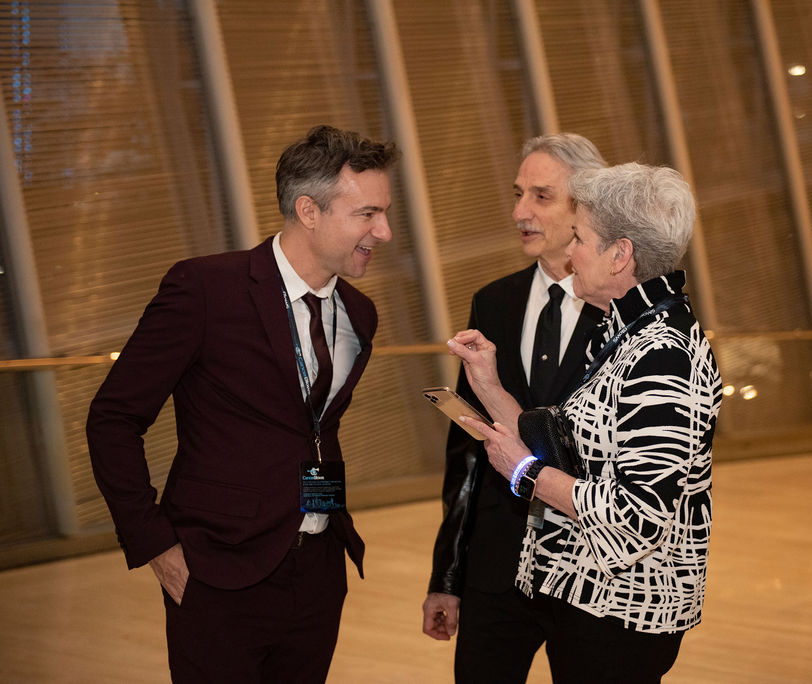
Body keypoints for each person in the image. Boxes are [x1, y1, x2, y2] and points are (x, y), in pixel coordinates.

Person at [86, 125, 399, 683]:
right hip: (218, 570)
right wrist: (155, 542)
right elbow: (113, 418)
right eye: (368, 214)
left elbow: (312, 432)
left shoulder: (360, 313)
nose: (386, 231)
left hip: (319, 571)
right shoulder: (206, 289)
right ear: (308, 210)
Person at [449, 162, 722, 683]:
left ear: (620, 255)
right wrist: (486, 384)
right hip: (588, 600)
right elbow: (561, 446)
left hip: (622, 612)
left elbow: (636, 517)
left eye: (580, 237)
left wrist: (524, 472)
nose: (569, 251)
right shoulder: (629, 333)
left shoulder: (662, 354)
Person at [421, 134, 606, 681]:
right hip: (497, 573)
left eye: (541, 197)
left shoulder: (625, 312)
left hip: (591, 576)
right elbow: (468, 447)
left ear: (585, 207)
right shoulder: (493, 302)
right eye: (519, 193)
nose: (519, 211)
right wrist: (447, 576)